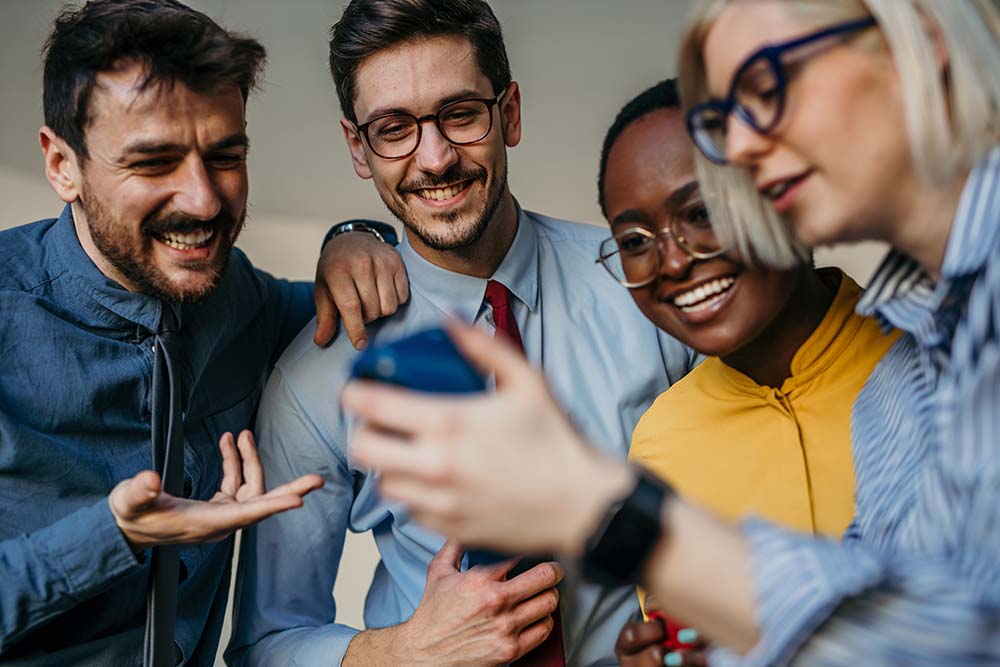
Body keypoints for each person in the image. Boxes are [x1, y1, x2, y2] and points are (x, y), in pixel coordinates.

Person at [343, 1, 1000, 665]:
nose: (738, 147)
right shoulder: (911, 377)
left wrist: (598, 505)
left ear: (924, 35)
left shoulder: (901, 355)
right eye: (727, 114)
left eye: (768, 85)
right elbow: (928, 628)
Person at [226, 1, 696, 665]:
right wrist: (403, 652)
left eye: (460, 113)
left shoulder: (644, 288)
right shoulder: (316, 375)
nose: (436, 157)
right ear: (359, 148)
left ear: (509, 114)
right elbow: (263, 643)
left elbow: (750, 495)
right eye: (394, 129)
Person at [0, 0, 406, 663]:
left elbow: (348, 302)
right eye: (155, 161)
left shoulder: (236, 297)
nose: (204, 199)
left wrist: (354, 237)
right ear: (61, 164)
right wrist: (114, 534)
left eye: (225, 155)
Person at [594, 79, 896, 666]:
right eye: (634, 239)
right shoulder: (661, 441)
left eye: (702, 211)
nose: (674, 260)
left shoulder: (933, 365)